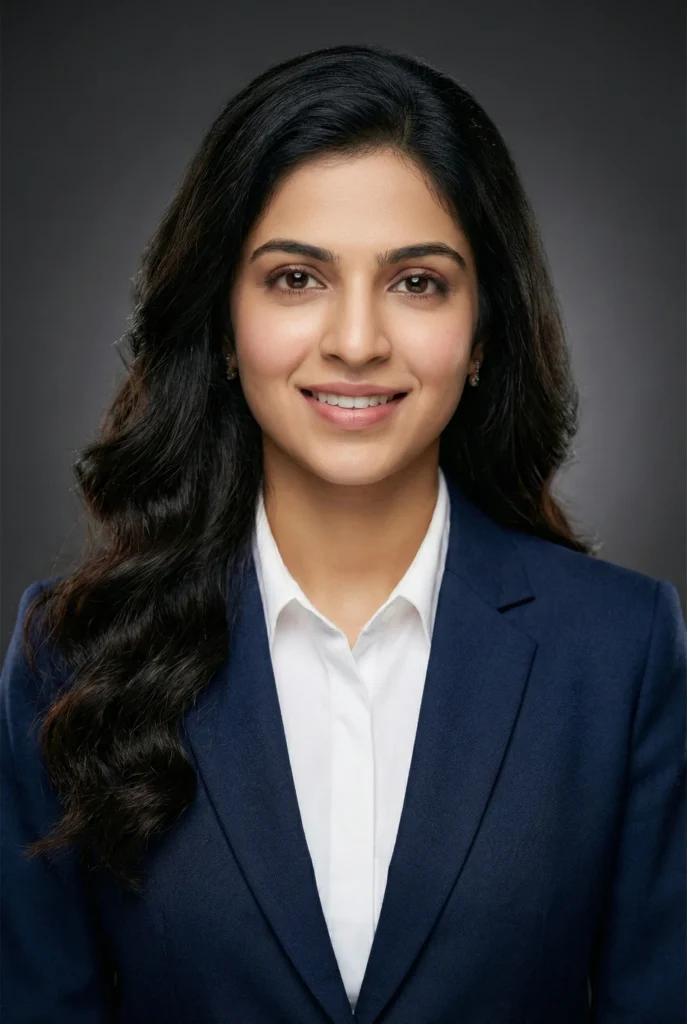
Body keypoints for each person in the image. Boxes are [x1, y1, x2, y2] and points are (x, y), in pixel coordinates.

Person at [1, 42, 684, 1024]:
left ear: (483, 331)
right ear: (225, 325)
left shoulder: (621, 653)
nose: (357, 340)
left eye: (417, 282)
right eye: (295, 279)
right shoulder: (68, 657)